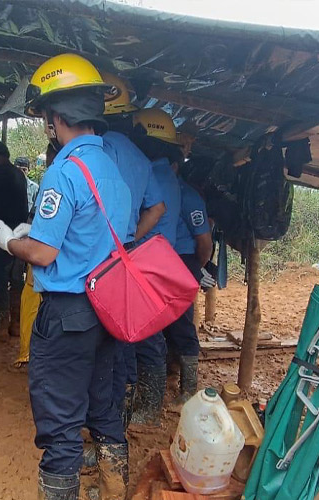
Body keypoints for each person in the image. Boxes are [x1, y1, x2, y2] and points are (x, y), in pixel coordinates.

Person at [0, 53, 131, 499]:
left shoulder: (64, 172)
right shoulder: (114, 170)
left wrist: (10, 242)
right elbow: (109, 238)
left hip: (68, 313)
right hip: (108, 308)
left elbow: (44, 251)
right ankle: (115, 488)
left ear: (56, 117)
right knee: (102, 404)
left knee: (60, 421)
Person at [100, 73, 166, 432]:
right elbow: (157, 209)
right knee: (122, 339)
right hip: (124, 255)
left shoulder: (95, 148)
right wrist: (128, 238)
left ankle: (103, 431)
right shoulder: (141, 158)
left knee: (97, 346)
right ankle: (117, 429)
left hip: (97, 259)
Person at [127, 108, 185, 425]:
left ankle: (148, 409)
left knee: (147, 337)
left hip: (148, 263)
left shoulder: (155, 176)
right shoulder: (165, 175)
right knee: (147, 335)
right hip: (159, 262)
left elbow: (148, 216)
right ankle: (145, 403)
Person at [167, 169, 214, 403]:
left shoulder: (188, 197)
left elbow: (204, 242)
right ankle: (170, 372)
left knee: (183, 324)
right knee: (161, 321)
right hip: (162, 261)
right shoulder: (158, 190)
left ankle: (188, 391)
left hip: (184, 260)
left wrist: (196, 269)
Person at [11, 144, 57, 373]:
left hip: (42, 252)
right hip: (58, 259)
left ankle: (29, 354)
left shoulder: (54, 178)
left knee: (31, 301)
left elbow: (39, 221)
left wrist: (15, 242)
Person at [0, 140, 28, 340]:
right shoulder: (19, 174)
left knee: (0, 279)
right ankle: (16, 325)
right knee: (17, 281)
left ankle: (1, 326)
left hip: (2, 233)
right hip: (20, 232)